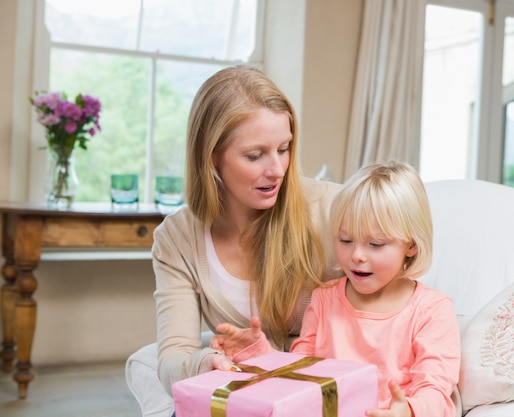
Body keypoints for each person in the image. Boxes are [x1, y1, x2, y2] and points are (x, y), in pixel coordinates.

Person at [141, 64, 342, 404]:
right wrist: (205, 362)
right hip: (250, 398)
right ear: (212, 157)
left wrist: (272, 357)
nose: (277, 170)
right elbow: (174, 356)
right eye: (255, 155)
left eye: (284, 148)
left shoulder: (334, 210)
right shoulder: (177, 238)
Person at [211, 161, 462, 417]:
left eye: (375, 244)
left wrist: (407, 411)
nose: (357, 255)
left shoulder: (432, 310)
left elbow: (436, 391)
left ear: (411, 245)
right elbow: (299, 375)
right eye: (346, 240)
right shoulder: (323, 300)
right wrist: (261, 355)